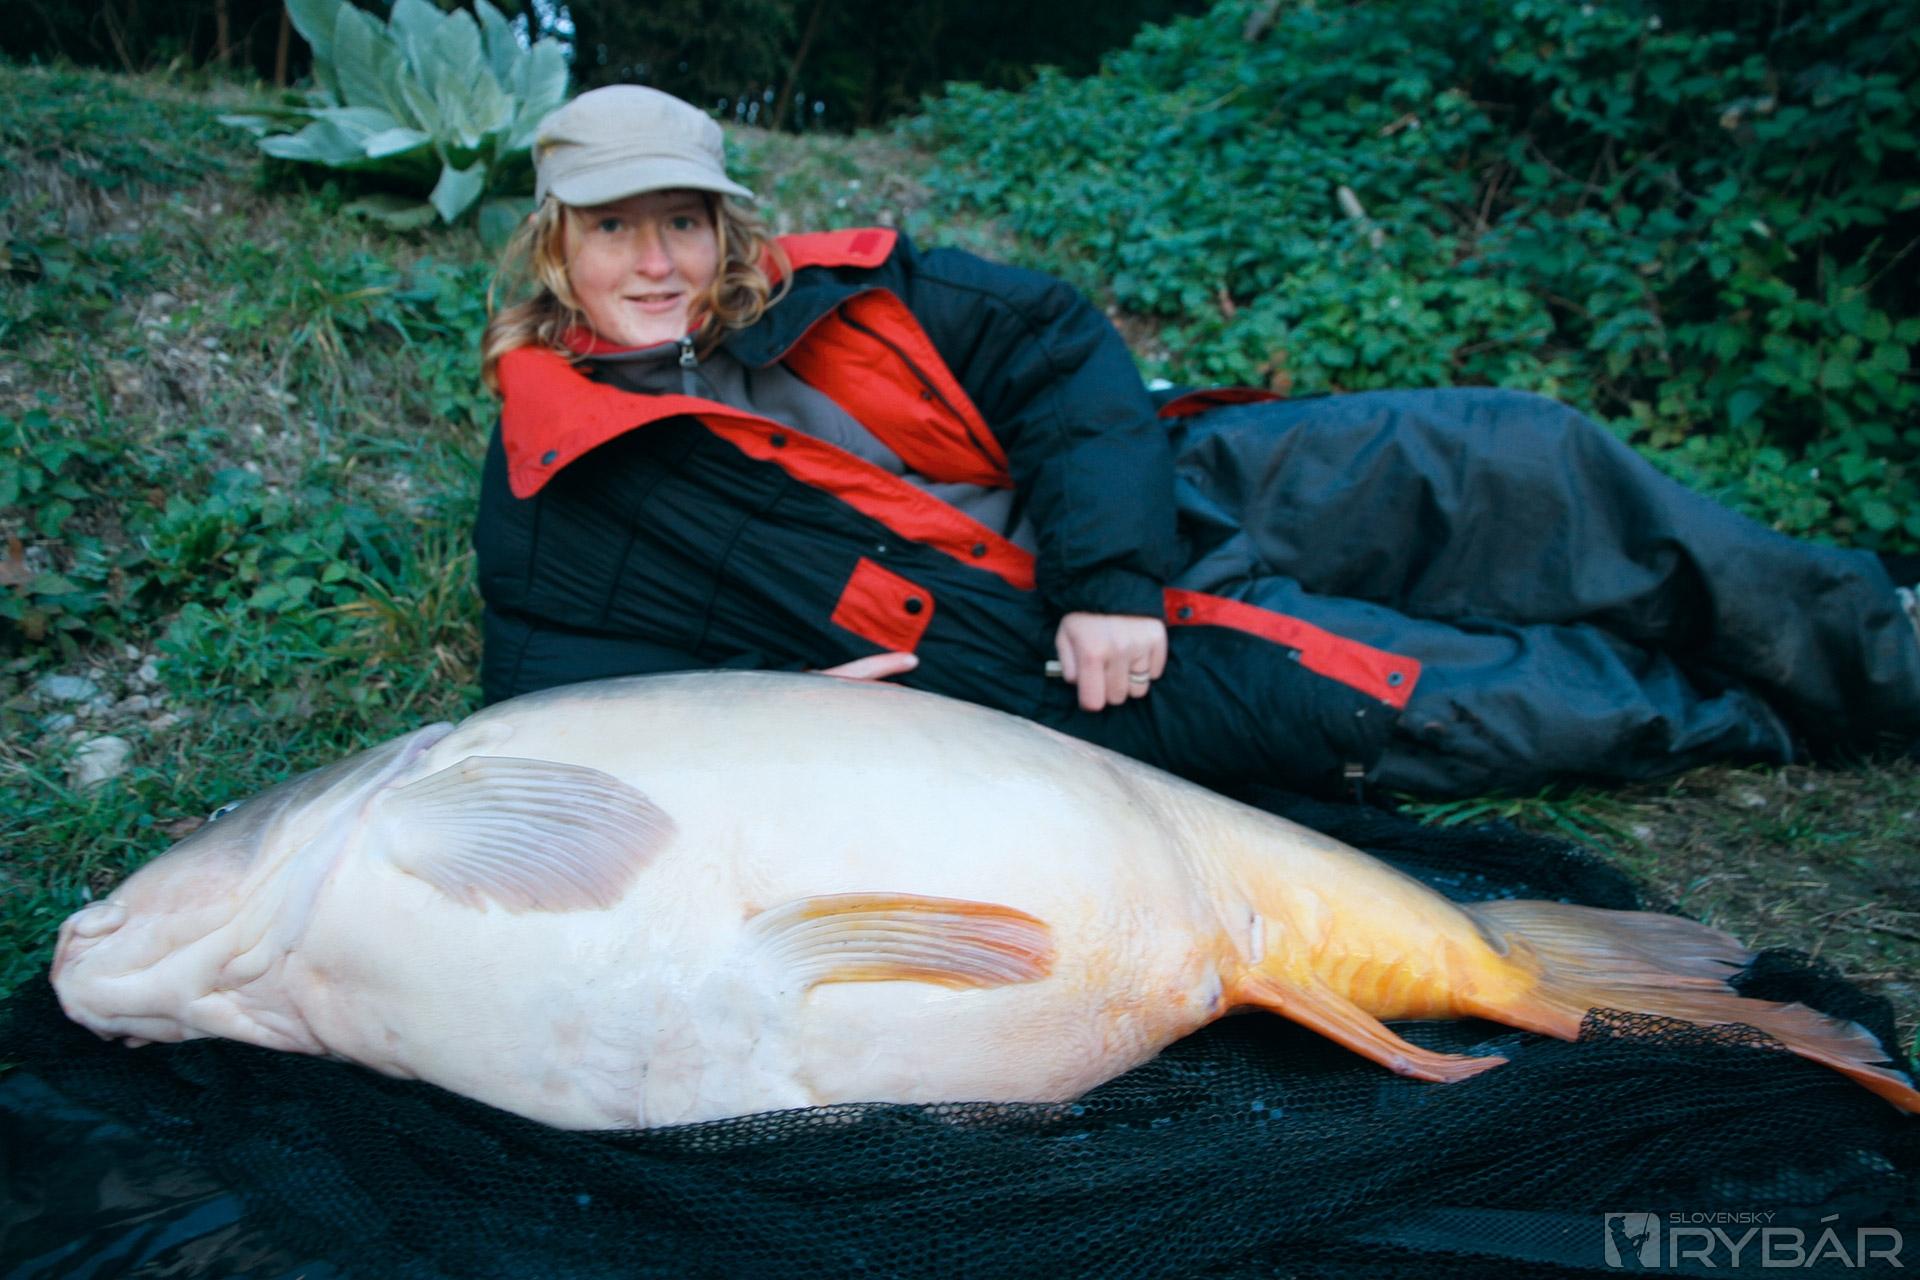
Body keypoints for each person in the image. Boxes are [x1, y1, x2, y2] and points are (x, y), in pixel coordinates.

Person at [472, 84, 1920, 799]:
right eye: (615, 228)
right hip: (1045, 663)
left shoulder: (833, 284)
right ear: (557, 246)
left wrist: (1110, 571)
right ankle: (1779, 712)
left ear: (722, 223)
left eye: (680, 221)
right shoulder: (556, 466)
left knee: (1509, 453)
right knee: (1478, 696)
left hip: (1139, 503)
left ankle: (1881, 646)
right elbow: (543, 692)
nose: (654, 261)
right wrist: (769, 710)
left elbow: (1059, 349)